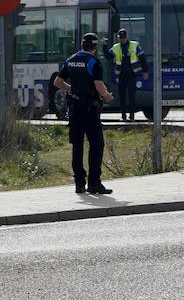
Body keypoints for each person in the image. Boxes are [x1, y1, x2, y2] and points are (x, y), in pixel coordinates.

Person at [52, 33, 114, 195]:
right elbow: (99, 86)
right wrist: (107, 97)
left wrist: (72, 89)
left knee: (77, 146)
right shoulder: (94, 63)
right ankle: (94, 183)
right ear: (95, 47)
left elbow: (57, 82)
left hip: (74, 109)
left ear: (82, 44)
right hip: (90, 110)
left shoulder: (71, 60)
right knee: (96, 145)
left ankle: (79, 183)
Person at [109, 28, 150, 122]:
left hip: (132, 74)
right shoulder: (116, 47)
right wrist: (104, 46)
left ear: (127, 37)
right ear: (118, 38)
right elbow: (108, 56)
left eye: (124, 37)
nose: (122, 39)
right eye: (120, 38)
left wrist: (145, 71)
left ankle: (131, 116)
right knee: (122, 96)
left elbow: (142, 58)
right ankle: (123, 116)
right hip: (121, 74)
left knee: (132, 96)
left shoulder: (134, 45)